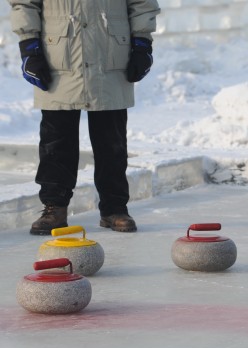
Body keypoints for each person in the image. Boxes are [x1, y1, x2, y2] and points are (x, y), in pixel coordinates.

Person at [8, 0, 161, 235]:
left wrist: (142, 44)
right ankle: (55, 209)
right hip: (58, 57)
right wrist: (29, 46)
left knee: (112, 143)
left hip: (110, 57)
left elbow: (142, 3)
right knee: (55, 143)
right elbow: (24, 3)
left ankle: (114, 209)